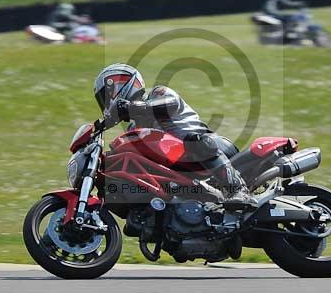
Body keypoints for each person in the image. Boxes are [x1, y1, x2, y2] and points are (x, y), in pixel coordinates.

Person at [93, 63, 252, 206]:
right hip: (186, 166)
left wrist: (132, 107)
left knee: (194, 141)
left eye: (108, 94)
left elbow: (169, 105)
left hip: (212, 146)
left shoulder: (158, 93)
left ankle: (238, 190)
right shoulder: (133, 129)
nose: (108, 102)